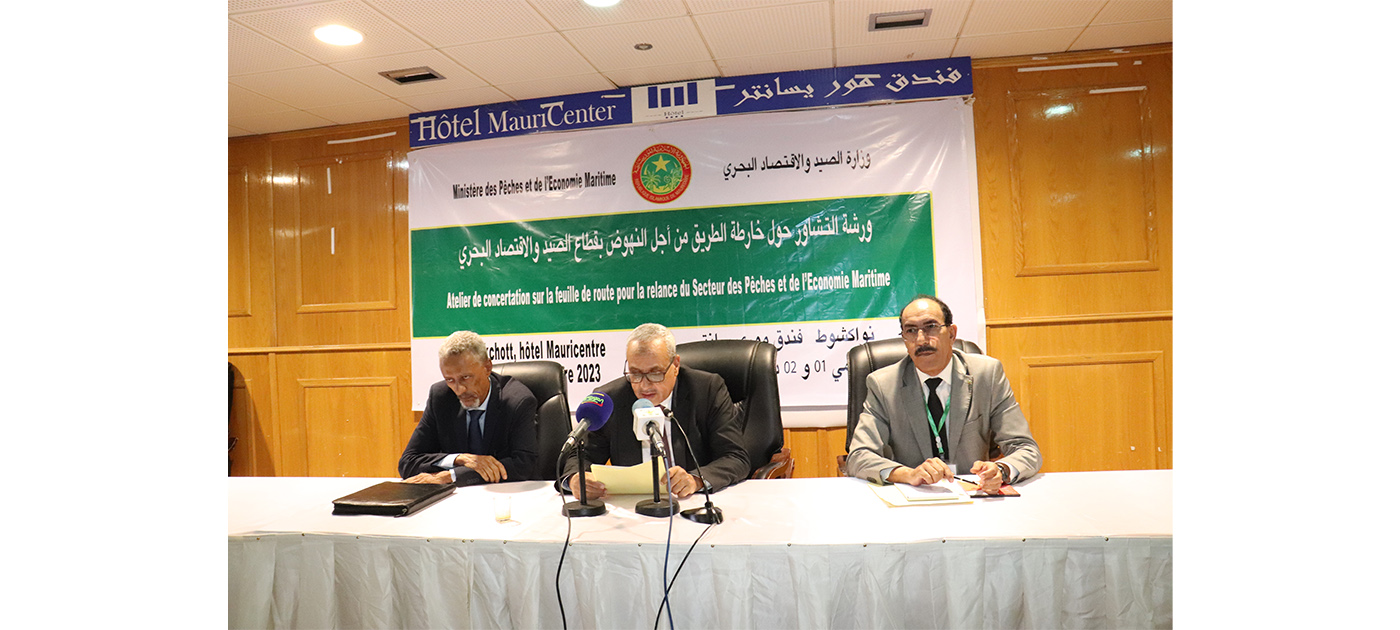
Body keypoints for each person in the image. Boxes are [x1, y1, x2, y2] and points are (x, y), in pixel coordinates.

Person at [847, 295, 1041, 492]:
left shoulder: (986, 375)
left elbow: (1026, 449)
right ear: (904, 339)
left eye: (931, 327)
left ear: (951, 333)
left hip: (973, 493)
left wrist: (1000, 470)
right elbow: (859, 456)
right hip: (915, 497)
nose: (921, 340)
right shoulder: (883, 385)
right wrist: (909, 474)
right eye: (911, 330)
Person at [562, 323, 749, 499]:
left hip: (691, 503)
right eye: (635, 373)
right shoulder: (610, 399)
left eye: (655, 373)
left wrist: (696, 480)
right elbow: (581, 456)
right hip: (632, 507)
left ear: (675, 366)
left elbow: (735, 457)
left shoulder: (706, 390)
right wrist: (575, 479)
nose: (644, 385)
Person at [400, 331, 539, 486]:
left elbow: (523, 465)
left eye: (466, 377)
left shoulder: (517, 401)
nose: (459, 389)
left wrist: (452, 476)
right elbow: (408, 462)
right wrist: (458, 459)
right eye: (450, 380)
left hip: (506, 494)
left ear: (487, 367)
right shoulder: (440, 397)